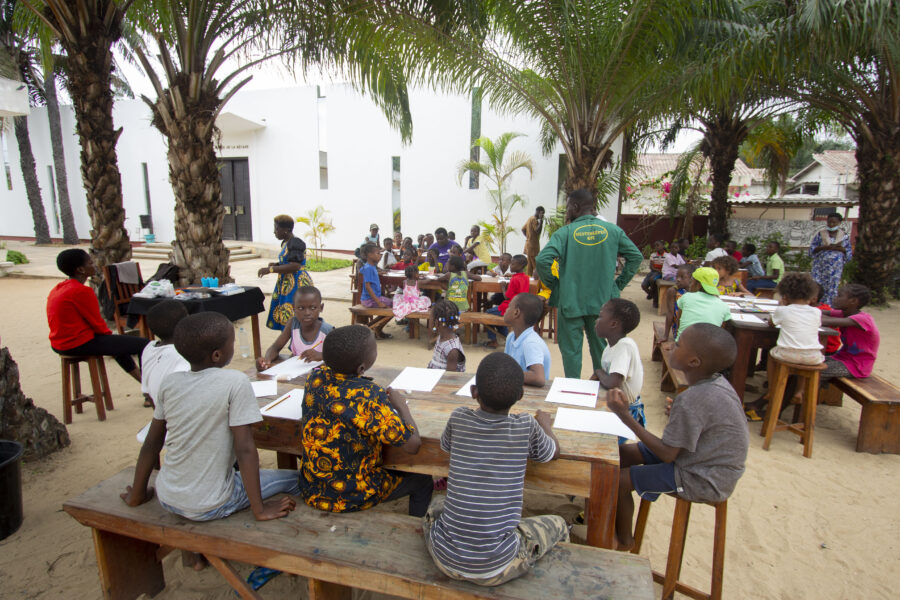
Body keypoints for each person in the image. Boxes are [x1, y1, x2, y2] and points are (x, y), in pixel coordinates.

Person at [120, 312, 299, 522]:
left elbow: (152, 443)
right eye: (232, 342)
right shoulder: (235, 382)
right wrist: (259, 510)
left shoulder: (170, 383)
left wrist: (137, 494)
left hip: (168, 496)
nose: (233, 345)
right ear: (216, 355)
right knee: (298, 479)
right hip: (211, 503)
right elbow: (245, 449)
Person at [423, 352, 566, 586]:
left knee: (437, 503)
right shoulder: (526, 426)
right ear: (520, 396)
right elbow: (553, 452)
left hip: (444, 557)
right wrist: (545, 424)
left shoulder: (459, 418)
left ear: (474, 392)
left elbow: (446, 445)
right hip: (495, 566)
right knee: (559, 524)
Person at [608, 323, 747, 550]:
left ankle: (624, 541)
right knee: (619, 455)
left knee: (616, 481)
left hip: (703, 477)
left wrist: (625, 416)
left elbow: (667, 454)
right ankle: (608, 520)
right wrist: (683, 416)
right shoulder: (714, 384)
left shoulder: (693, 398)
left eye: (678, 345)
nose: (670, 346)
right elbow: (703, 420)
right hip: (699, 458)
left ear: (694, 362)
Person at [299, 325, 433, 516]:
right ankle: (416, 528)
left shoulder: (315, 378)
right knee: (422, 480)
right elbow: (413, 445)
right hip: (353, 495)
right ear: (361, 368)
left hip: (313, 488)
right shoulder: (368, 395)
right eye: (375, 349)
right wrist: (402, 406)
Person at [535, 188, 643, 378]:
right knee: (602, 349)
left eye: (568, 207)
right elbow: (635, 257)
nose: (566, 212)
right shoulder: (613, 231)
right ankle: (601, 388)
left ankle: (573, 388)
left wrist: (556, 285)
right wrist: (617, 285)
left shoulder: (565, 233)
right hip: (604, 303)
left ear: (575, 207)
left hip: (570, 302)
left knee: (571, 351)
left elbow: (543, 260)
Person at [47, 248, 149, 386]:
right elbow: (97, 325)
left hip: (58, 343)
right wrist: (111, 339)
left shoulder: (59, 288)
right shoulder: (81, 291)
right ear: (81, 270)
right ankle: (149, 386)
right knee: (144, 344)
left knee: (118, 345)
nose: (94, 265)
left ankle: (143, 383)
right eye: (90, 263)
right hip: (76, 344)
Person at [744, 273, 823, 421]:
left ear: (785, 295)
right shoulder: (816, 311)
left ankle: (772, 389)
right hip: (814, 358)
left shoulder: (783, 310)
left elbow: (772, 323)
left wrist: (781, 306)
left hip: (788, 355)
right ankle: (799, 391)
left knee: (771, 354)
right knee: (804, 363)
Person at [590, 298, 644, 439]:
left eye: (600, 317)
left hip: (626, 412)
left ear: (613, 324)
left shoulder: (625, 345)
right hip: (617, 406)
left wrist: (598, 372)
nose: (596, 321)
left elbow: (613, 382)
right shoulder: (610, 347)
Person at [257, 286, 333, 370]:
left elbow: (338, 357)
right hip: (295, 373)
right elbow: (275, 347)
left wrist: (321, 355)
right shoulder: (293, 324)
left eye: (313, 308)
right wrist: (266, 361)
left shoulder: (328, 330)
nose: (307, 313)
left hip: (320, 374)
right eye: (301, 308)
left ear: (321, 308)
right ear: (293, 308)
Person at [259, 215, 313, 331]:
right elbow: (288, 261)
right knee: (287, 314)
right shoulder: (286, 243)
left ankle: (297, 340)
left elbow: (295, 266)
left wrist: (270, 269)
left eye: (276, 228)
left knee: (294, 314)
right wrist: (277, 264)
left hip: (296, 283)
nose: (274, 232)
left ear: (286, 229)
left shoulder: (296, 243)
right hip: (287, 283)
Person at [820, 284, 880, 383]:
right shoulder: (844, 313)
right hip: (842, 358)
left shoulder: (862, 319)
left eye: (839, 296)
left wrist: (809, 314)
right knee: (808, 363)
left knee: (817, 371)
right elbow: (820, 313)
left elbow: (824, 320)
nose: (835, 298)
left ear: (853, 301)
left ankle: (811, 393)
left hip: (857, 366)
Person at [140, 300, 189, 407]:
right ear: (185, 324)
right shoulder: (184, 355)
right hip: (179, 413)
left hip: (161, 413)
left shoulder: (149, 348)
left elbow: (147, 393)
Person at [503, 293, 551, 387]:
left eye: (509, 307)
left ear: (516, 312)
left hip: (533, 393)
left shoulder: (530, 342)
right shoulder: (511, 337)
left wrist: (506, 375)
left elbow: (539, 378)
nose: (506, 309)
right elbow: (506, 366)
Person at [484, 254, 530, 348]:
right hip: (521, 307)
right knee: (496, 316)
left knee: (487, 313)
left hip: (509, 307)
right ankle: (506, 336)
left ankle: (493, 340)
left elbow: (506, 297)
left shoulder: (514, 279)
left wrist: (503, 287)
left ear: (520, 266)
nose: (510, 266)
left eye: (512, 264)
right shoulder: (526, 278)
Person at [674, 267, 732, 340]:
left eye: (692, 282)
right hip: (709, 345)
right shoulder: (724, 306)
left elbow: (679, 320)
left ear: (698, 284)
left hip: (683, 344)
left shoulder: (686, 297)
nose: (690, 285)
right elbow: (720, 329)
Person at [809, 213, 853, 305]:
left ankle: (829, 305)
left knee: (832, 286)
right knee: (817, 285)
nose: (831, 224)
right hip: (820, 267)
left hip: (835, 268)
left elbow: (848, 251)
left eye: (834, 222)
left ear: (839, 223)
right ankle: (816, 304)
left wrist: (839, 248)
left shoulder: (844, 236)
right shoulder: (820, 234)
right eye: (829, 222)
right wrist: (824, 247)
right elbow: (812, 249)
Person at [358, 244, 393, 339]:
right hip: (371, 300)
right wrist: (379, 302)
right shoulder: (369, 268)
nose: (380, 255)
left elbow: (363, 271)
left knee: (392, 304)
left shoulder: (370, 267)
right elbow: (368, 286)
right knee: (395, 307)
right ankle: (377, 328)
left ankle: (372, 326)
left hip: (370, 299)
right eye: (378, 253)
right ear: (370, 255)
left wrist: (378, 273)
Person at [427, 300, 465, 372]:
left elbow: (450, 376)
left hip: (444, 378)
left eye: (430, 319)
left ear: (436, 323)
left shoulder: (452, 350)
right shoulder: (441, 337)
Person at [661, 264, 696, 342]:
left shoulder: (696, 293)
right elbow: (670, 313)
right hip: (678, 330)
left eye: (682, 277)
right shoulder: (673, 291)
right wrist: (666, 335)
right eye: (677, 276)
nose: (678, 279)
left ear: (691, 279)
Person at [811, 283, 842, 355]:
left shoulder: (823, 310)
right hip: (823, 347)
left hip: (827, 349)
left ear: (813, 299)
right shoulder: (825, 308)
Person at [641, 240, 667, 306]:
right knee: (643, 285)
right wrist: (658, 270)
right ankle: (652, 294)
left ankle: (655, 300)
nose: (656, 247)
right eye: (655, 246)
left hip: (661, 273)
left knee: (653, 280)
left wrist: (660, 271)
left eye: (658, 245)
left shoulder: (667, 256)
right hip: (654, 272)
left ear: (663, 246)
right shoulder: (653, 255)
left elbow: (666, 268)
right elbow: (651, 267)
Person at [521, 206, 545, 275]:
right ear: (539, 212)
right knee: (535, 265)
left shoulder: (530, 218)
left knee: (530, 265)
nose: (543, 215)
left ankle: (529, 278)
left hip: (528, 244)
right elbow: (537, 231)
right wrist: (541, 221)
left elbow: (523, 229)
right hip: (533, 246)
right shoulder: (534, 219)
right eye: (542, 213)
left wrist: (529, 237)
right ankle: (536, 279)